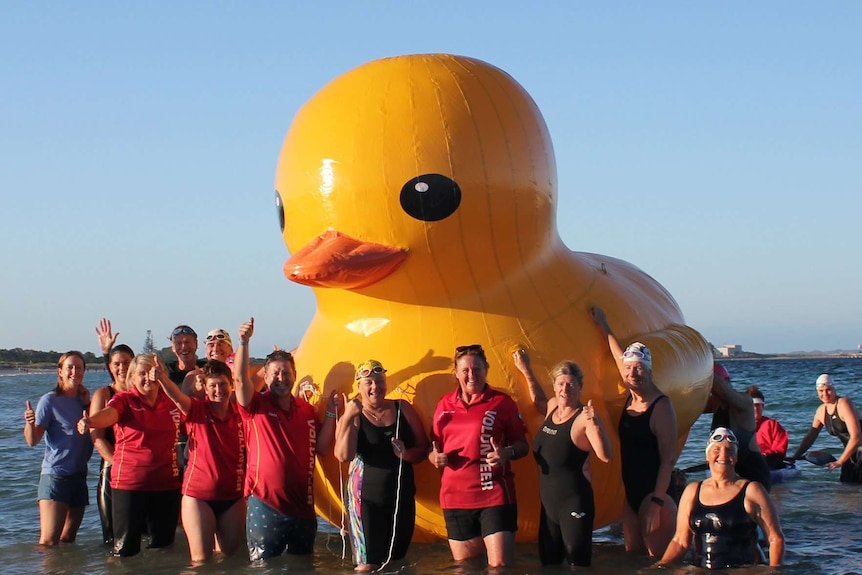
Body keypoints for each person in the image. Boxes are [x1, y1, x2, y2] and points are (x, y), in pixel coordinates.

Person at [233, 317, 339, 561]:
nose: (281, 377)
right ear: (266, 377)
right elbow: (239, 381)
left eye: (286, 372)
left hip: (303, 508)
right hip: (265, 505)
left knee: (303, 567)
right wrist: (244, 342)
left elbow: (322, 448)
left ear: (295, 375)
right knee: (264, 567)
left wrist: (332, 411)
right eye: (275, 373)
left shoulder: (307, 410)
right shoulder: (255, 406)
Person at [428, 344, 528, 568]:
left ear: (486, 370)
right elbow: (432, 447)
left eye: (477, 369)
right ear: (456, 372)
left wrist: (506, 453)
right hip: (455, 498)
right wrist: (434, 457)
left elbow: (523, 446)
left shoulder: (502, 402)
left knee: (499, 567)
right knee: (466, 568)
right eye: (465, 370)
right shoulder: (444, 404)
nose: (471, 375)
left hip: (494, 495)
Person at [589, 306, 677, 558]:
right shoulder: (630, 395)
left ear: (649, 371)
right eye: (629, 370)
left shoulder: (661, 406)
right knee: (633, 559)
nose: (632, 373)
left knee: (658, 563)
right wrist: (603, 324)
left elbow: (667, 461)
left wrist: (657, 503)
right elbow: (619, 356)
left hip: (655, 494)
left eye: (639, 368)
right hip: (631, 494)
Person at [513, 350, 612, 567]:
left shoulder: (583, 417)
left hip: (574, 503)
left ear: (579, 386)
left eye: (571, 384)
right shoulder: (552, 407)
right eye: (560, 384)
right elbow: (538, 400)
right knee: (549, 564)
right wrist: (526, 369)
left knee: (578, 564)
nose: (565, 389)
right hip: (549, 507)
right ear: (555, 386)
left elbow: (605, 456)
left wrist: (595, 425)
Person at [78, 353, 182, 557]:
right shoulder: (125, 399)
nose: (147, 379)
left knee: (163, 549)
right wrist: (91, 421)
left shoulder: (171, 400)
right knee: (125, 550)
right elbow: (110, 414)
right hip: (130, 485)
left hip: (167, 484)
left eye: (152, 373)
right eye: (141, 374)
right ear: (132, 378)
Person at [334, 359, 428, 573]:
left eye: (379, 381)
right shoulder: (354, 415)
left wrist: (406, 454)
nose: (375, 387)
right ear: (359, 387)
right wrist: (348, 416)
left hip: (400, 499)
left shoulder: (403, 408)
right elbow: (343, 455)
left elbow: (422, 448)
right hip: (365, 500)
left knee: (396, 561)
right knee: (368, 565)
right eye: (368, 383)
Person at [657, 427, 784, 569]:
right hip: (702, 570)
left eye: (730, 450)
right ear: (707, 455)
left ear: (736, 458)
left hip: (744, 571)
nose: (723, 455)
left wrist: (774, 571)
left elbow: (775, 538)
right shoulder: (692, 491)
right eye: (716, 449)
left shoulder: (752, 491)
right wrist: (660, 567)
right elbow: (680, 541)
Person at [158, 359, 245, 563]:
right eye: (213, 386)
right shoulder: (197, 410)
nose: (218, 390)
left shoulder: (241, 413)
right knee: (201, 562)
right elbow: (177, 397)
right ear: (205, 389)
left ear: (232, 384)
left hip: (233, 496)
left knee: (229, 559)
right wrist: (162, 378)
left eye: (223, 384)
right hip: (198, 497)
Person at [23, 351, 94, 546]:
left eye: (79, 368)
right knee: (48, 542)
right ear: (60, 372)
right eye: (69, 367)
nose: (74, 372)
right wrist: (30, 423)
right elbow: (33, 440)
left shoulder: (85, 402)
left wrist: (88, 404)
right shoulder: (50, 400)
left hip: (80, 477)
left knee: (68, 540)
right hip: (56, 476)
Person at [91, 318, 134, 546]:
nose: (122, 368)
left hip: (140, 471)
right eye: (116, 363)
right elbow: (97, 437)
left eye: (127, 362)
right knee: (113, 539)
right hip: (112, 470)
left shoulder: (142, 394)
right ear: (110, 366)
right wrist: (117, 463)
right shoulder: (103, 395)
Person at [706, 363, 771, 490]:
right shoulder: (715, 403)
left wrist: (702, 367)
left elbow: (724, 392)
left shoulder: (745, 401)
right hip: (728, 474)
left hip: (753, 472)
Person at [790, 374, 862, 483]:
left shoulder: (843, 403)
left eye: (828, 390)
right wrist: (795, 456)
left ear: (834, 389)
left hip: (857, 450)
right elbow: (810, 437)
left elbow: (856, 437)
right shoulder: (821, 411)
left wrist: (840, 461)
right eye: (821, 391)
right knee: (847, 489)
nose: (825, 394)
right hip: (851, 453)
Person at [181, 328, 235, 398]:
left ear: (231, 349)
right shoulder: (193, 376)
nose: (215, 349)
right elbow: (183, 404)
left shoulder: (241, 375)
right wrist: (196, 391)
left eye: (220, 344)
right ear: (206, 351)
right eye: (211, 345)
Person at [746, 385, 789, 470]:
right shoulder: (738, 425)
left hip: (767, 460)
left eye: (758, 405)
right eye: (752, 405)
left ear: (763, 407)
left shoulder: (772, 425)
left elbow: (779, 449)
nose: (755, 408)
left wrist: (764, 454)